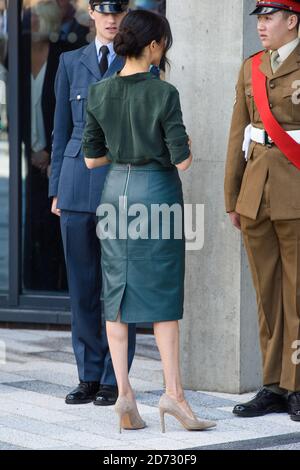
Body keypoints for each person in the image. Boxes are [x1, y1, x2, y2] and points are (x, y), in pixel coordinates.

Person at [83, 9, 216, 433]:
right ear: (154, 45)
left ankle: (124, 395)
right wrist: (179, 147)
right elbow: (183, 160)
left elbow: (90, 158)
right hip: (155, 193)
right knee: (162, 295)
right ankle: (174, 395)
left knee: (115, 293)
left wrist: (125, 148)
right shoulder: (163, 93)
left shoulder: (99, 91)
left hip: (114, 194)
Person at [49, 0, 136, 406]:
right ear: (91, 14)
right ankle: (87, 375)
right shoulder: (70, 62)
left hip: (120, 183)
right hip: (75, 183)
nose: (111, 19)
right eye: (104, 12)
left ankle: (113, 378)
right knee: (82, 285)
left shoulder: (139, 60)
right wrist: (55, 189)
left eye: (118, 12)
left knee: (116, 286)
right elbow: (60, 131)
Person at [225, 0, 300, 421]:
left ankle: (297, 384)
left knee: (298, 293)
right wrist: (232, 195)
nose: (262, 26)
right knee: (266, 293)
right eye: (259, 19)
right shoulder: (251, 67)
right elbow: (239, 131)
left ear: (292, 21)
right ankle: (272, 384)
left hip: (296, 191)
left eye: (269, 18)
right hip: (256, 195)